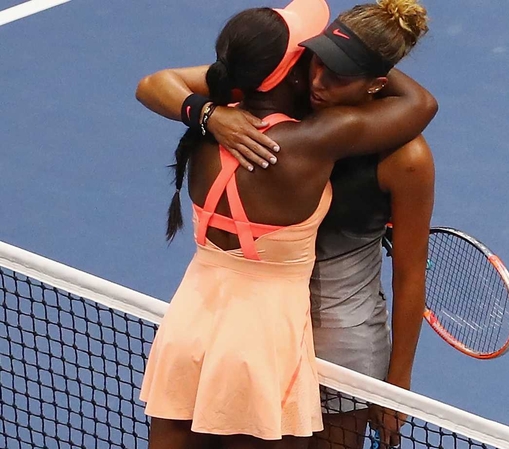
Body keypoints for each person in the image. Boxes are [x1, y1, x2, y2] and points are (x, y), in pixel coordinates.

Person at [137, 1, 437, 448]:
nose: (319, 79)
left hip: (338, 344)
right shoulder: (279, 109)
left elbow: (411, 274)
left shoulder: (405, 158)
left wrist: (396, 384)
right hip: (262, 338)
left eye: (339, 72)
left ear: (375, 83)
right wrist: (209, 113)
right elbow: (157, 85)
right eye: (316, 60)